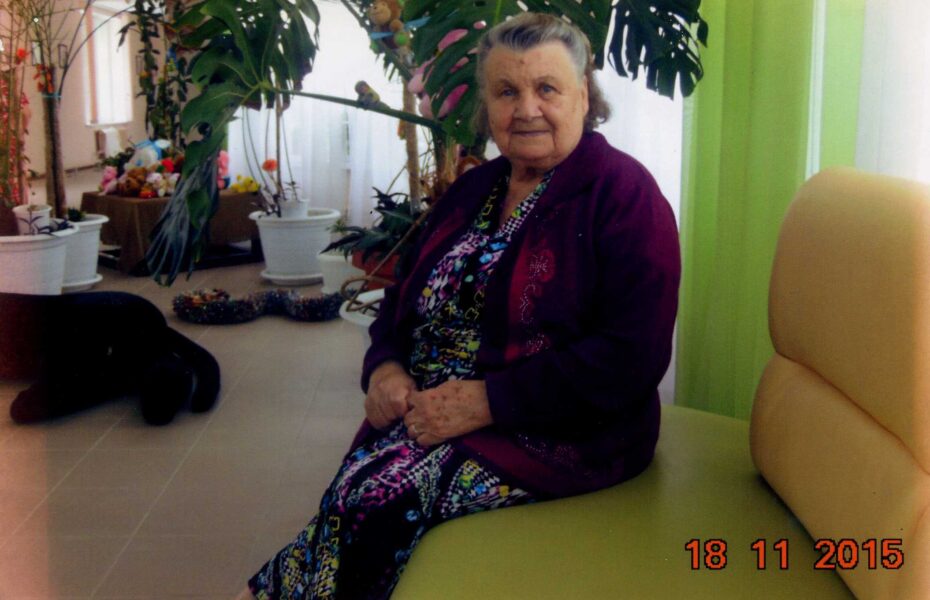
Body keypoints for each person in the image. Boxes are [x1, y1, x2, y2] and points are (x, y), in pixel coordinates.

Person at [242, 12, 680, 599]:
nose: (526, 109)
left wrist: (489, 401)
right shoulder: (476, 188)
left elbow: (632, 357)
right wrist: (385, 367)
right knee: (358, 486)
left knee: (377, 497)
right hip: (431, 411)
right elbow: (401, 297)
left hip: (563, 431)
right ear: (486, 104)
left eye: (547, 88)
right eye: (507, 91)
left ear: (583, 95)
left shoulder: (626, 196)